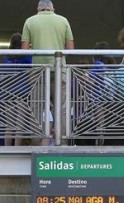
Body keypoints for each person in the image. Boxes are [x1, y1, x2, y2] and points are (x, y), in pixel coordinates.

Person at [21, 0, 74, 146]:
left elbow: (24, 50)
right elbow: (70, 49)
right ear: (53, 9)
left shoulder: (30, 21)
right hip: (59, 70)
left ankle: (37, 141)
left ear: (38, 8)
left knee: (37, 106)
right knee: (62, 107)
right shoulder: (63, 21)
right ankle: (62, 141)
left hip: (38, 71)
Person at [2, 33, 33, 146]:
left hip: (7, 92)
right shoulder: (27, 57)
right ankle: (17, 147)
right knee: (20, 123)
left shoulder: (6, 58)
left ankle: (7, 148)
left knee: (9, 124)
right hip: (22, 92)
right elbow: (32, 70)